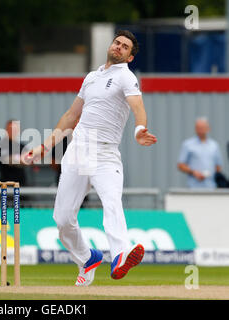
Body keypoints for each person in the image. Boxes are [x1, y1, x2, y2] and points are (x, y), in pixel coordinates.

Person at [23, 30, 157, 286]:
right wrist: (45, 146)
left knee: (111, 202)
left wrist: (140, 131)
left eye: (125, 47)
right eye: (117, 42)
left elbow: (138, 108)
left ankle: (120, 255)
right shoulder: (92, 77)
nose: (118, 47)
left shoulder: (126, 77)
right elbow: (71, 116)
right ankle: (87, 258)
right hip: (77, 152)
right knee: (62, 219)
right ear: (111, 45)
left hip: (105, 154)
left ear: (130, 57)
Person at [178, 117, 224, 189]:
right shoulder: (188, 144)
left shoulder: (214, 145)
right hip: (193, 187)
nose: (201, 130)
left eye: (203, 128)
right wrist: (194, 172)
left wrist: (208, 173)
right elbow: (180, 165)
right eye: (198, 128)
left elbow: (218, 167)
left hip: (211, 187)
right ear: (195, 129)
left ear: (208, 128)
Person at [0, 120, 26, 186]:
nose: (13, 131)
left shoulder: (21, 146)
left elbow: (29, 160)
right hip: (6, 185)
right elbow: (7, 160)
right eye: (11, 129)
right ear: (6, 130)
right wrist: (21, 159)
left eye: (15, 129)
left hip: (21, 184)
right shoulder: (0, 145)